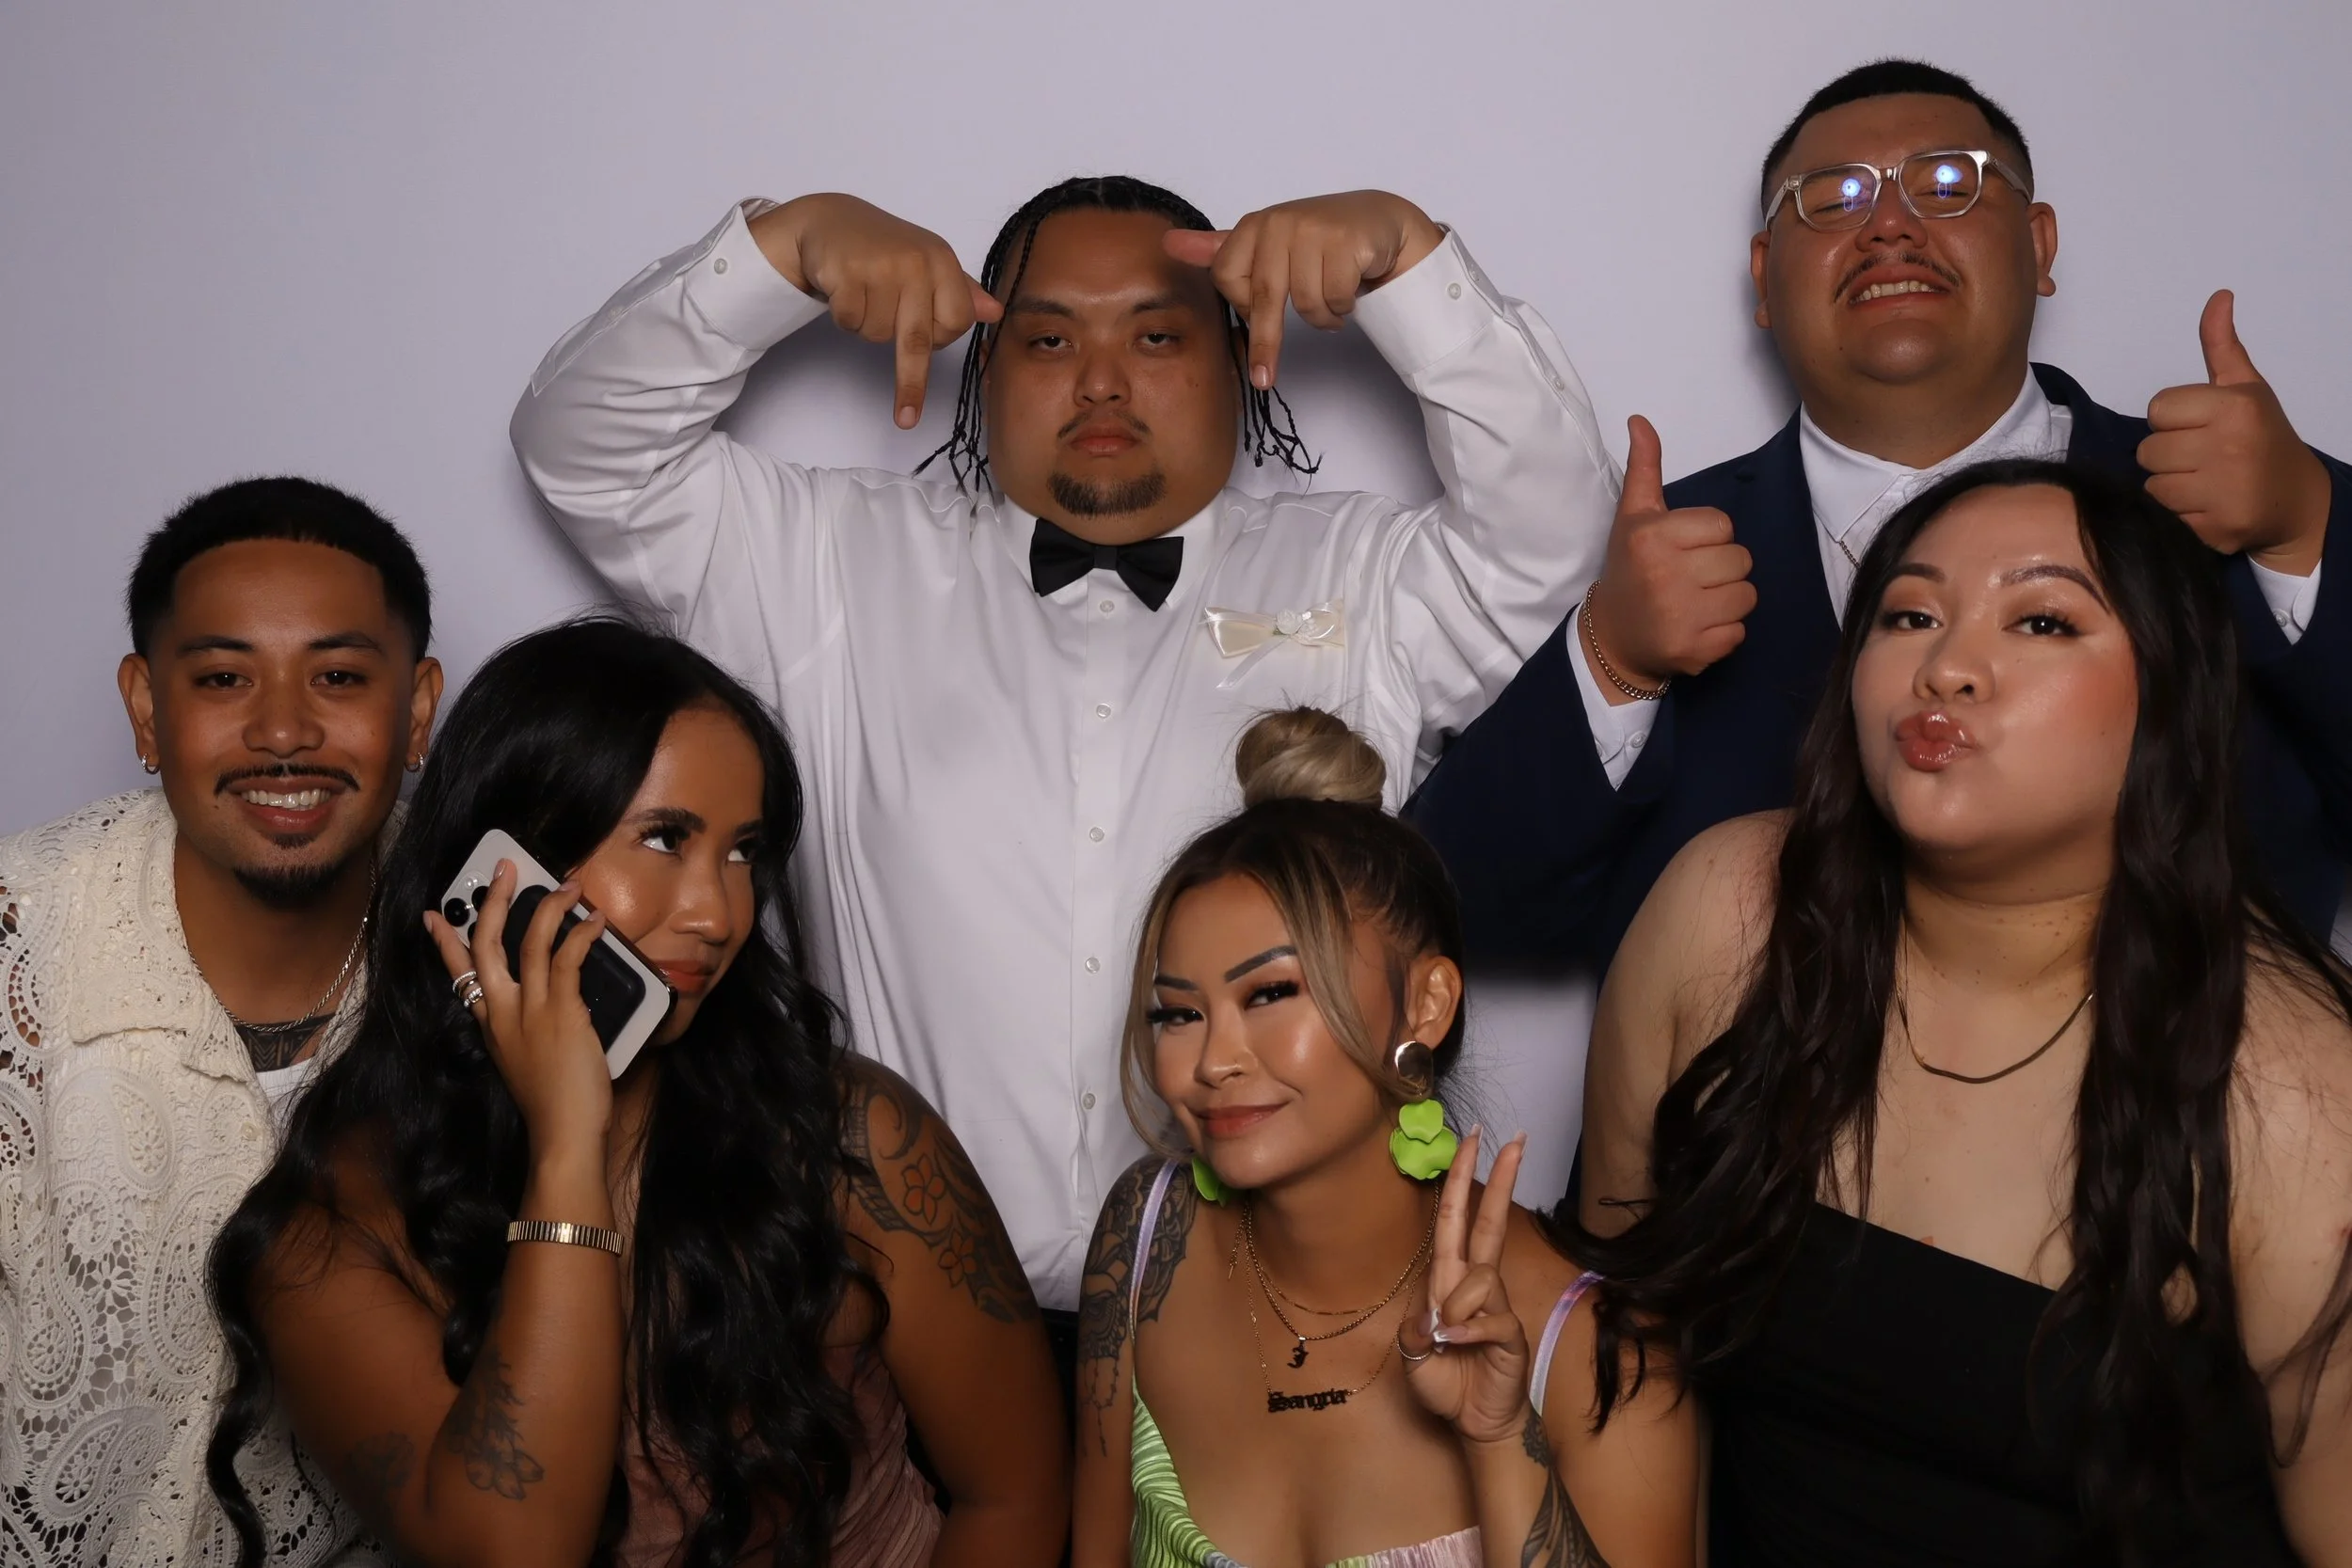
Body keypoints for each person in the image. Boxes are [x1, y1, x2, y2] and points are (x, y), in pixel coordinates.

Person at [509, 174, 1618, 1342]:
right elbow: (584, 448)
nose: (1100, 379)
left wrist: (1408, 260)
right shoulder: (824, 564)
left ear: (1241, 361)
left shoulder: (1365, 576)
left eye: (1154, 333)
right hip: (901, 1317)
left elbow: (1553, 537)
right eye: (1046, 338)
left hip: (1268, 1315)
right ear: (979, 376)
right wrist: (783, 250)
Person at [1407, 61, 2352, 1133]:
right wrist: (1613, 658)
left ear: (2039, 246)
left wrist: (2303, 529)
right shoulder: (1660, 561)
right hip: (1740, 1245)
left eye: (1948, 182)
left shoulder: (2244, 499)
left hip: (2168, 1211)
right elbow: (1448, 911)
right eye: (1835, 198)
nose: (1890, 223)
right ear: (1764, 278)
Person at [1570, 461, 2352, 1564]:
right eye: (1910, 613)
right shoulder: (1724, 910)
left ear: (2171, 699)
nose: (1945, 667)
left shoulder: (2298, 1079)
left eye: (2040, 619)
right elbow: (1610, 1339)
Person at [205, 619, 1067, 1568]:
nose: (717, 912)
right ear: (503, 870)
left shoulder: (850, 1130)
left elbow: (1015, 1493)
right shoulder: (325, 1233)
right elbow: (513, 1552)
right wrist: (567, 1140)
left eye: (744, 852)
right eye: (664, 838)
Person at [1073, 710, 1695, 1568]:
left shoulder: (1604, 1356)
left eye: (1271, 994)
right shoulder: (1143, 1238)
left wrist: (1501, 1435)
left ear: (1426, 1005)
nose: (1212, 1060)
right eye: (1179, 1012)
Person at [0, 477, 441, 1561]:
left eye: (338, 676)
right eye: (222, 677)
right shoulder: (20, 940)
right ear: (147, 709)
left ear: (419, 709)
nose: (284, 730)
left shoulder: (477, 948)